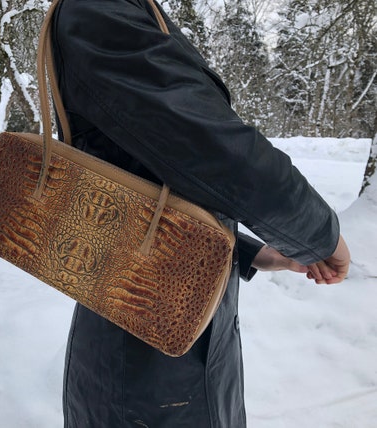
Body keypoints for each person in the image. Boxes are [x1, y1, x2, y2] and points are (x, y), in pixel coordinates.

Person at [49, 0, 351, 426]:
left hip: (180, 336)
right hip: (144, 357)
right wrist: (320, 232)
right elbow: (213, 150)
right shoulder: (102, 9)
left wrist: (249, 252)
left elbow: (153, 184)